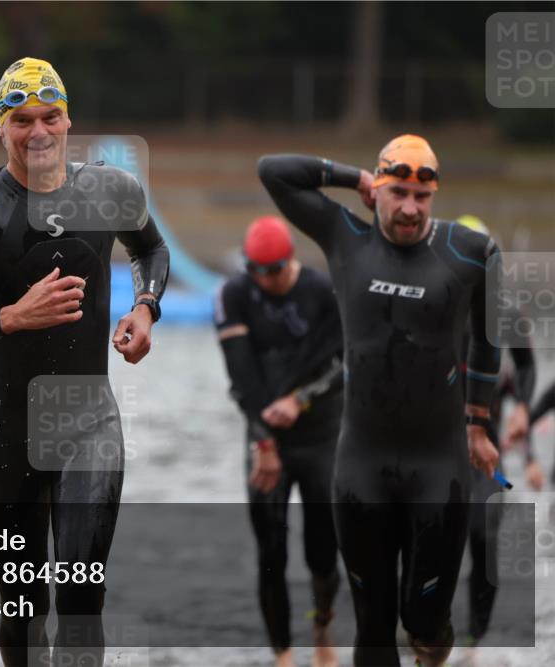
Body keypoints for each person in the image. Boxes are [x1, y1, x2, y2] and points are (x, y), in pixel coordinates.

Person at [0, 57, 169, 667]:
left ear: (68, 118)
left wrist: (146, 308)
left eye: (50, 117)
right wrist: (10, 318)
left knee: (80, 598)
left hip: (88, 425)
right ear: (1, 127)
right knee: (22, 612)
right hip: (6, 435)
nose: (39, 133)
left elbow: (150, 247)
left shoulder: (109, 190)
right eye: (21, 120)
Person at [258, 134, 502, 667]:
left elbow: (489, 336)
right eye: (398, 194)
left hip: (439, 467)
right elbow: (273, 169)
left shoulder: (469, 251)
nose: (410, 210)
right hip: (361, 466)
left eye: (422, 198)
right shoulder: (345, 237)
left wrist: (478, 422)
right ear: (380, 189)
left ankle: (433, 646)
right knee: (372, 624)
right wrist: (353, 178)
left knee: (424, 623)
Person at [214, 215, 343, 667]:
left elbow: (341, 366)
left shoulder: (322, 291)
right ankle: (283, 655)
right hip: (267, 440)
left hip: (322, 438)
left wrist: (299, 400)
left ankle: (322, 622)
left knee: (323, 552)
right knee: (271, 551)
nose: (266, 281)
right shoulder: (235, 294)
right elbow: (242, 378)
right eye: (258, 272)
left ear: (291, 262)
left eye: (275, 272)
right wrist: (264, 443)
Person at [451, 215, 539, 664]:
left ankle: (473, 638)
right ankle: (423, 620)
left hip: (485, 448)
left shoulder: (503, 308)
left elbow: (525, 364)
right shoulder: (433, 301)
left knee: (484, 537)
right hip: (433, 445)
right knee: (426, 533)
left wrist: (523, 406)